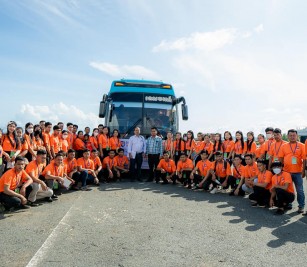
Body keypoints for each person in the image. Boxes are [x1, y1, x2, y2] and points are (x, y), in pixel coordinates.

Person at [279, 129, 306, 214]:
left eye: (294, 135)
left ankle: (301, 206)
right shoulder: (284, 146)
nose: (292, 137)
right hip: (287, 172)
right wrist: (281, 170)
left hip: (298, 172)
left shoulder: (302, 145)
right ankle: (288, 203)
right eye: (290, 135)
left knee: (300, 190)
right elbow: (281, 158)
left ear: (297, 136)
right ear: (287, 136)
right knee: (287, 189)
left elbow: (304, 159)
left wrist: (303, 170)